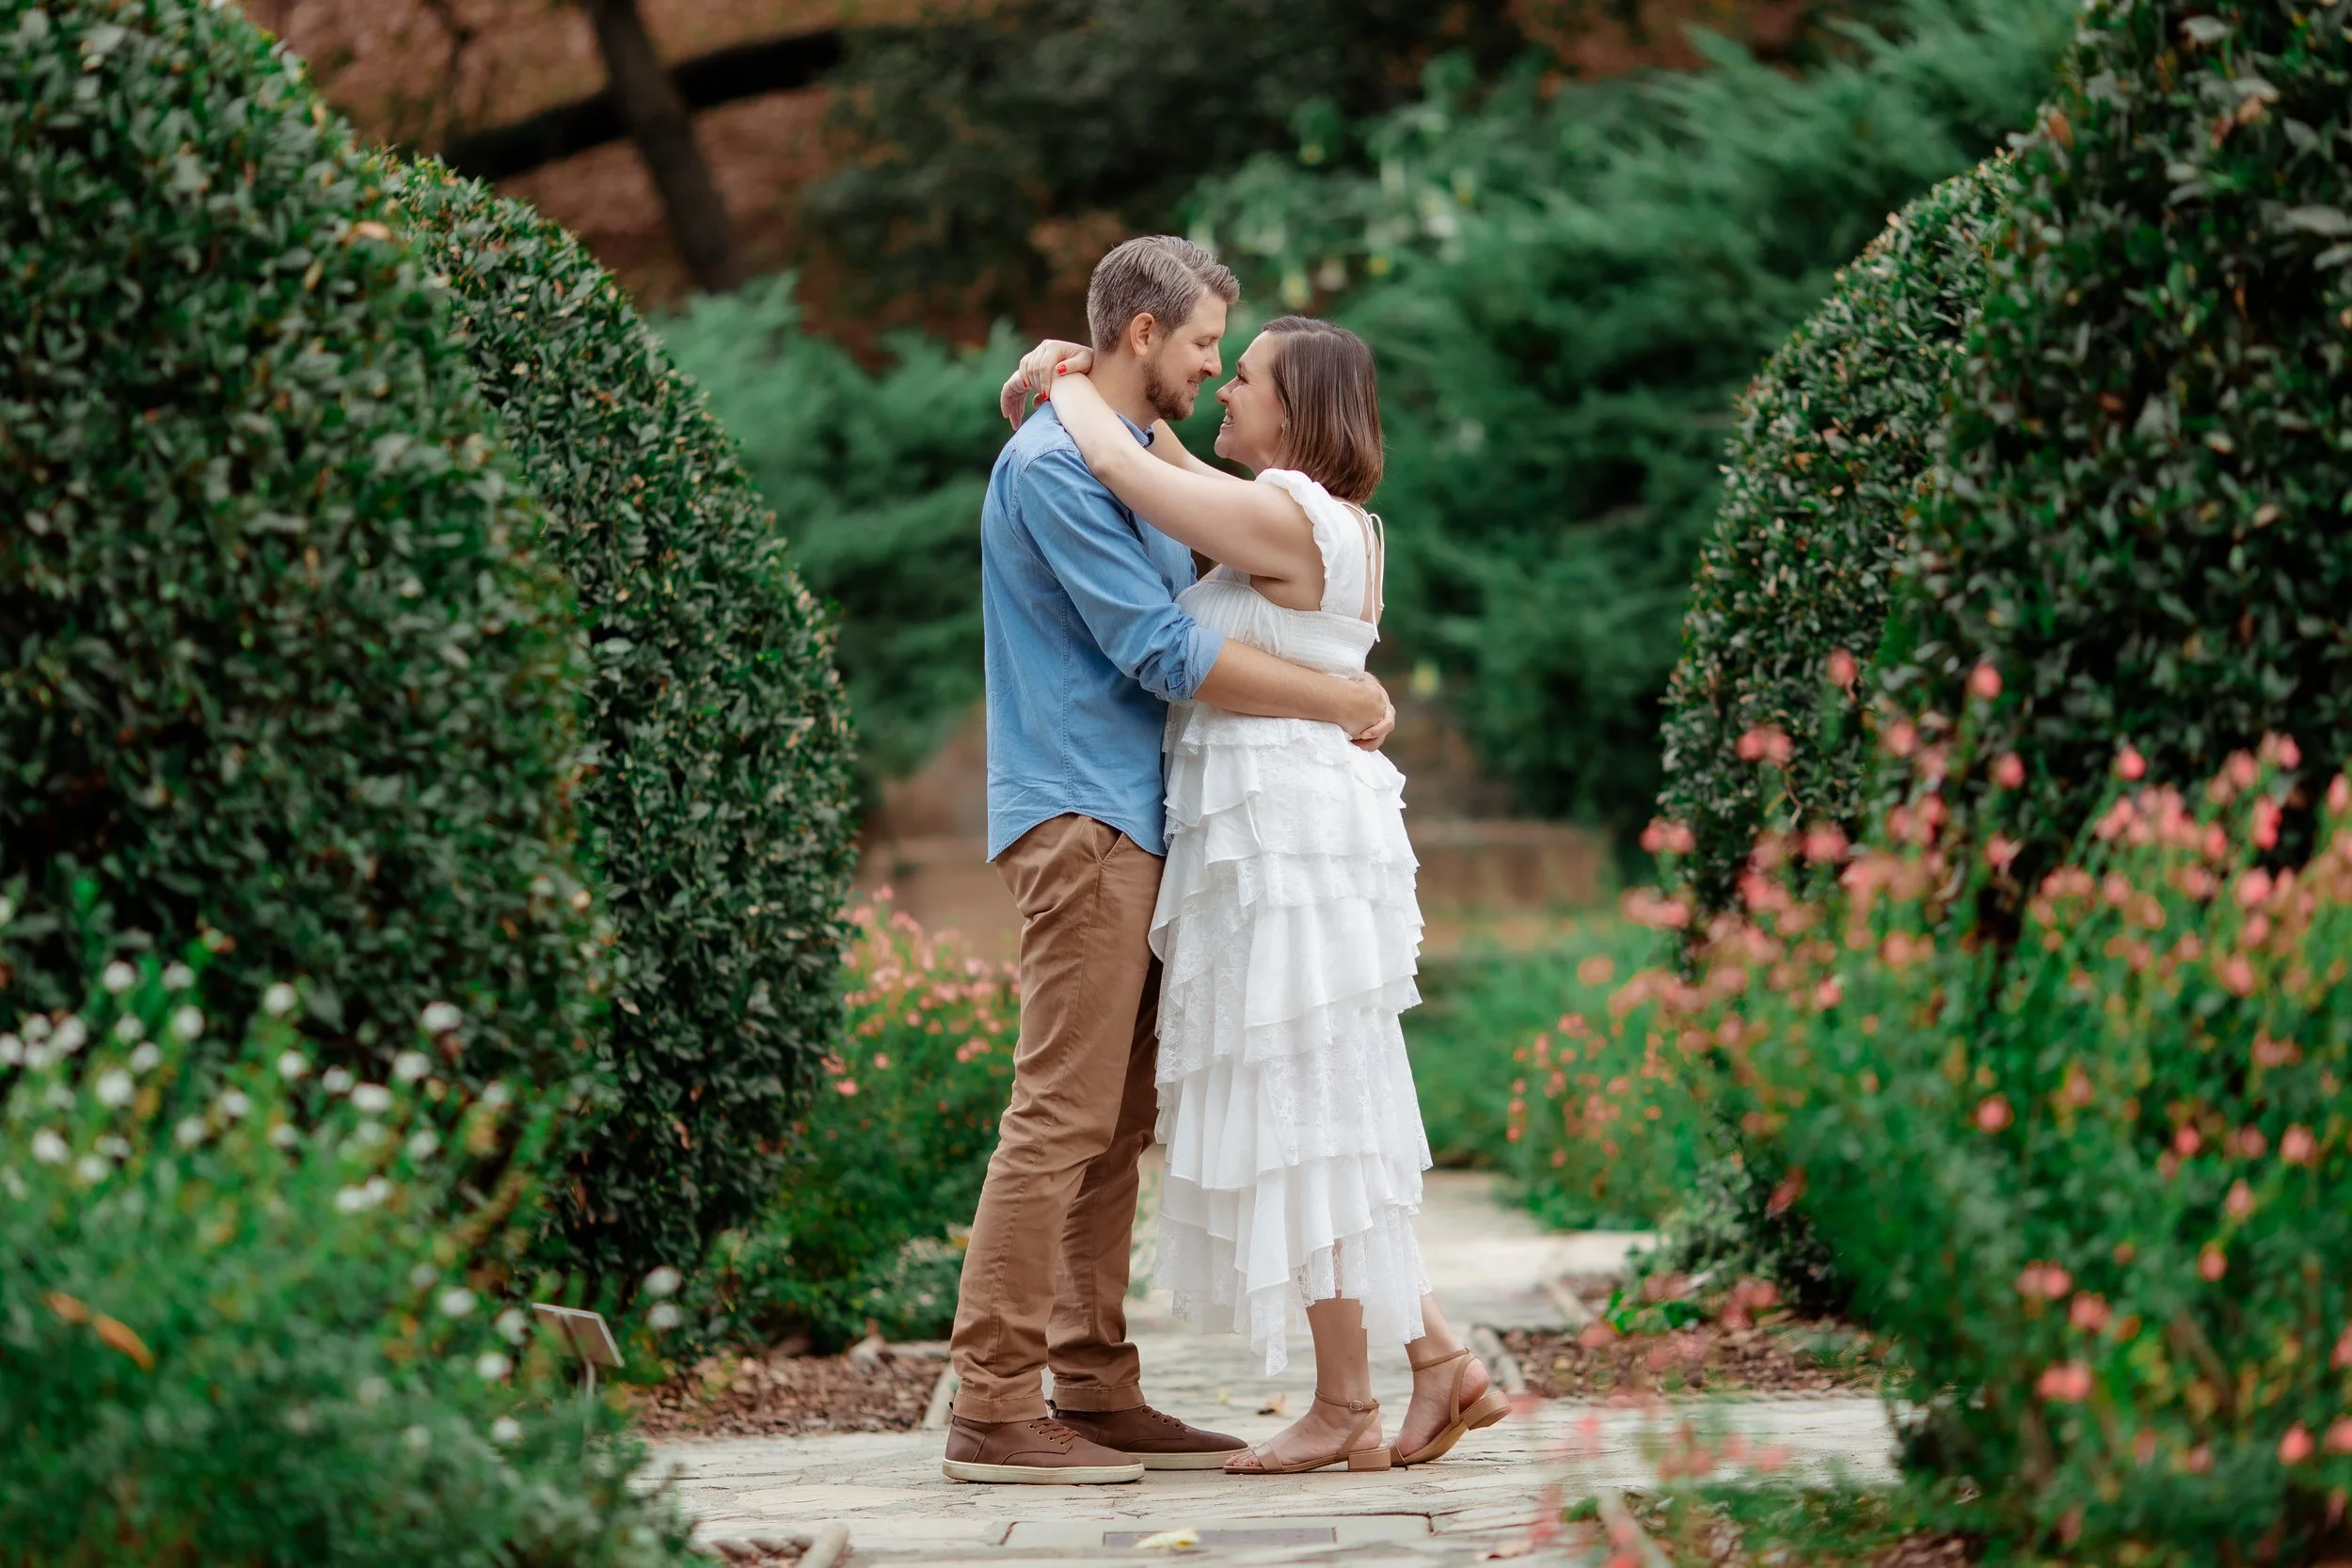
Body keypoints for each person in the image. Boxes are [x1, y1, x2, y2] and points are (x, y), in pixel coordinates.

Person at [994, 314, 1509, 1476]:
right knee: (1314, 1101)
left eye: (1245, 377)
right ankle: (1426, 1361)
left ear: (1300, 408)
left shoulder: (1284, 517)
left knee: (1302, 1104)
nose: (1220, 391)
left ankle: (1349, 1400)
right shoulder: (1296, 510)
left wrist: (1060, 373)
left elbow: (1129, 464)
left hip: (1279, 840)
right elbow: (1163, 461)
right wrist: (1087, 384)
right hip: (1277, 832)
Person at [943, 236, 1400, 1486]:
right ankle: (991, 1402)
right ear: (1144, 336)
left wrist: (1069, 376)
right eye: (1206, 345)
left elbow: (1202, 522)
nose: (1214, 366)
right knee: (1058, 1116)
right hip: (1083, 821)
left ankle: (1093, 1386)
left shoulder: (1135, 454)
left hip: (1147, 822)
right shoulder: (1055, 465)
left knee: (1115, 1122)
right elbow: (1158, 648)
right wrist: (1333, 693)